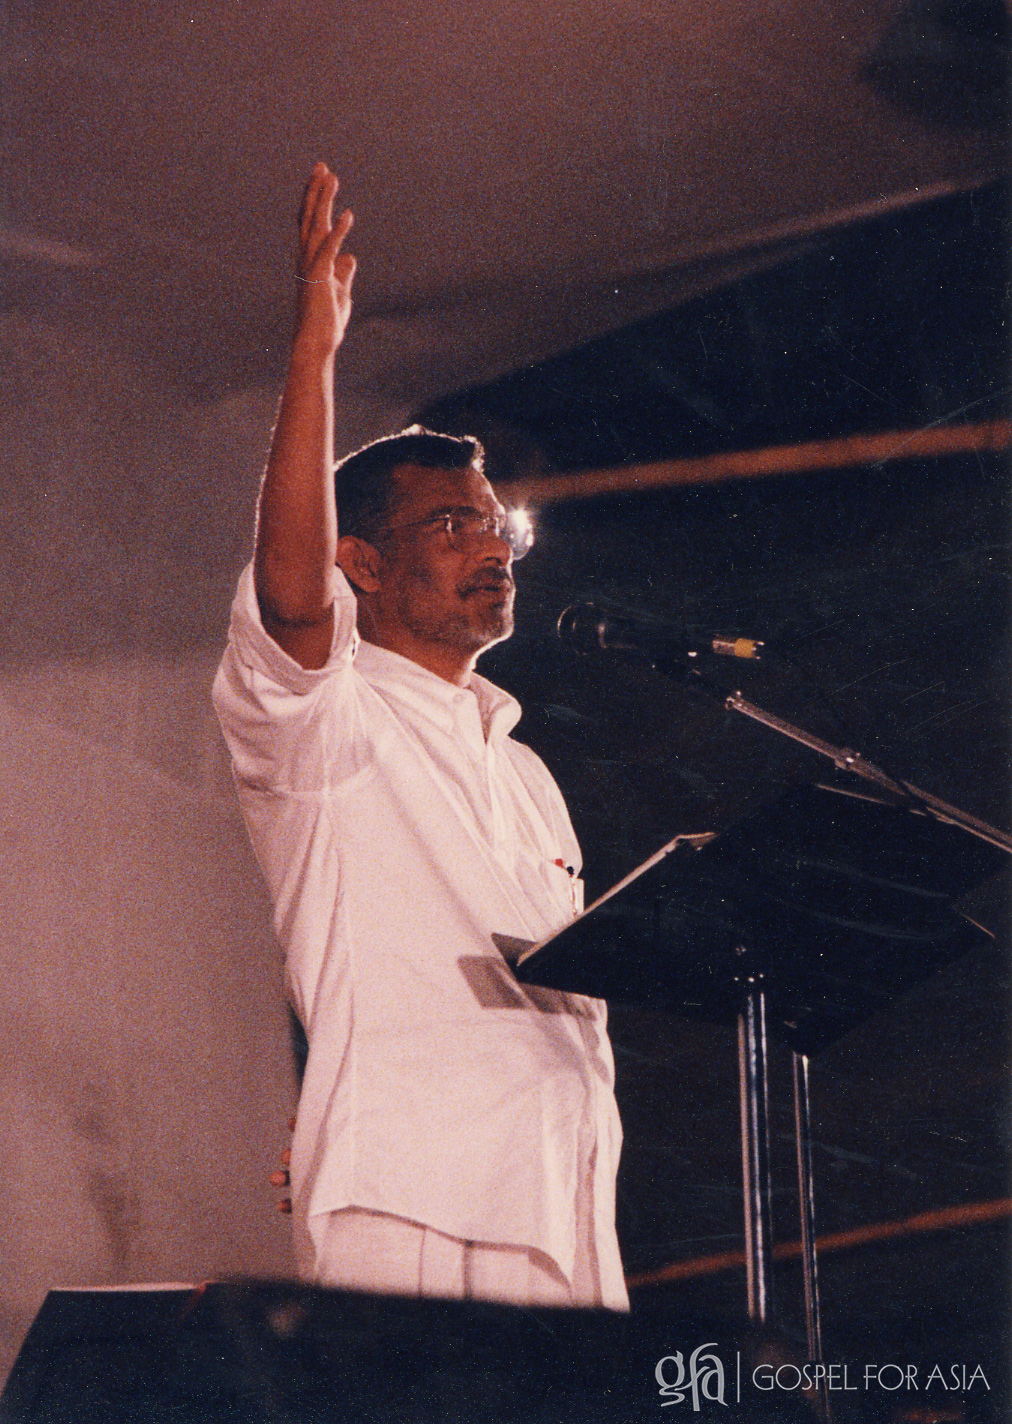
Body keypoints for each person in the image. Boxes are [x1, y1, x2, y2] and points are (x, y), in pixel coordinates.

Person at [213, 162, 627, 1311]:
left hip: (562, 1204)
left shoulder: (526, 768)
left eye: (498, 524)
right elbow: (292, 599)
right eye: (452, 523)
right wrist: (315, 351)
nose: (491, 545)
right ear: (365, 559)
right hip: (408, 1195)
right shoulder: (325, 719)